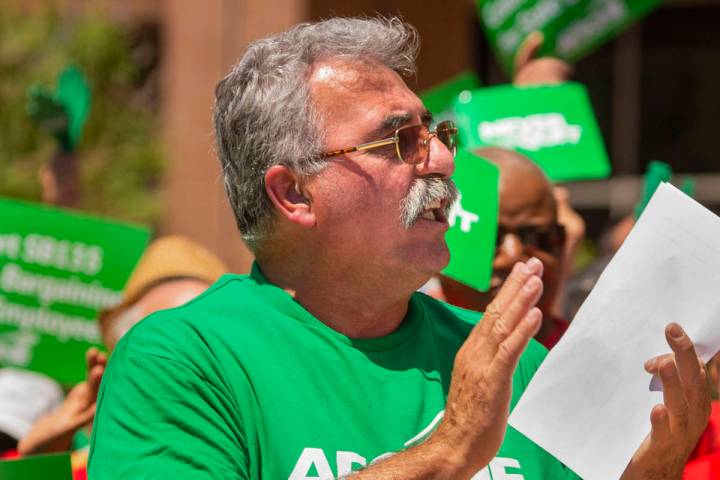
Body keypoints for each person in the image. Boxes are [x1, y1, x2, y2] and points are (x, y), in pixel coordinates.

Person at [89, 17, 710, 479]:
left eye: (434, 133)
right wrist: (448, 451)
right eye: (398, 141)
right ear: (293, 195)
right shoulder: (180, 361)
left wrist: (649, 471)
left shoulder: (509, 356)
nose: (441, 158)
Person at [17, 236, 227, 474]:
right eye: (163, 347)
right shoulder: (83, 460)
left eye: (207, 344)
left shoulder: (264, 448)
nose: (185, 369)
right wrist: (37, 465)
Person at [439, 147, 580, 349]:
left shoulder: (590, 361)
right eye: (490, 238)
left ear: (562, 243)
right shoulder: (405, 362)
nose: (513, 256)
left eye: (537, 236)